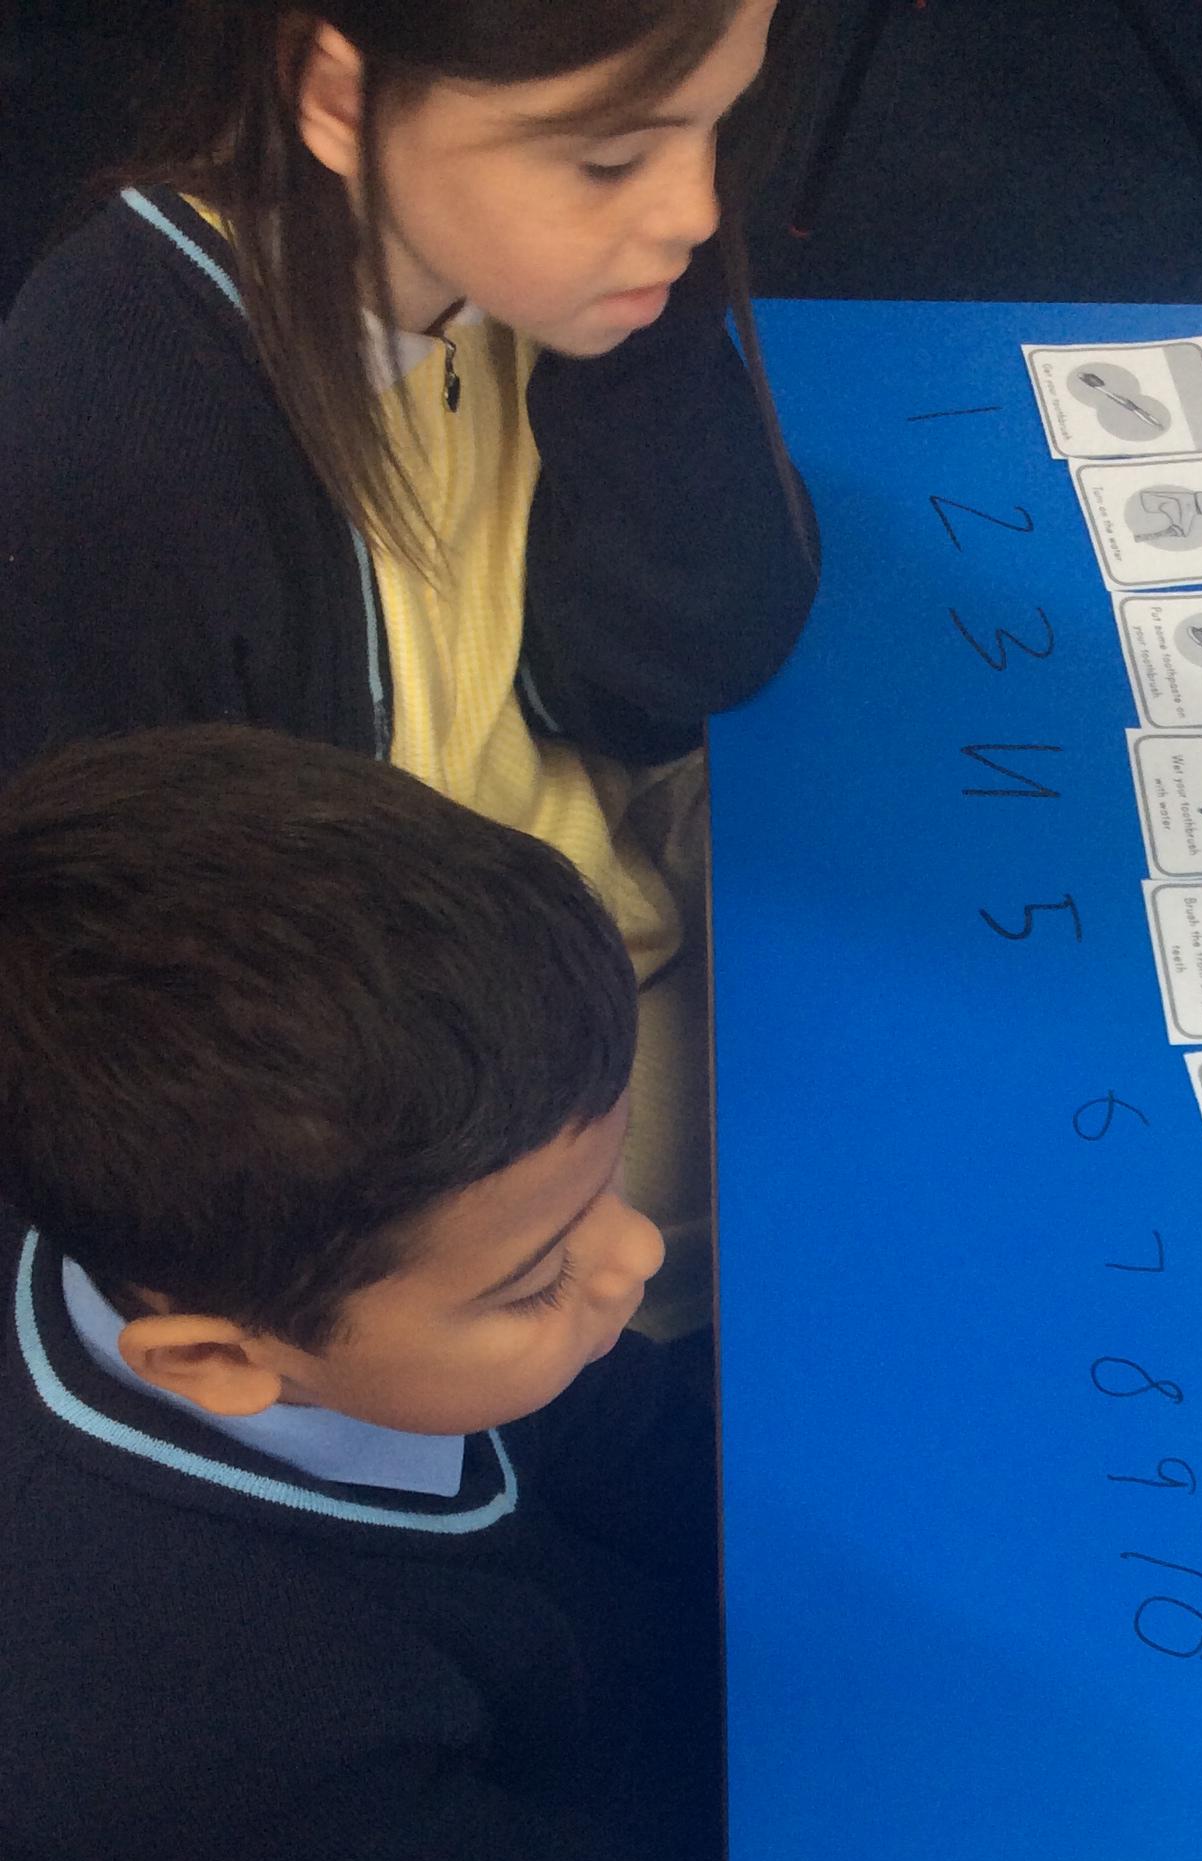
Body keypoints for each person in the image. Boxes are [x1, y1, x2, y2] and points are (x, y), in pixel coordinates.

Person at [0, 0, 820, 1340]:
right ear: (339, 98)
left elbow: (709, 638)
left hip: (590, 870)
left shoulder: (528, 273)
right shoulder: (125, 437)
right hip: (458, 1062)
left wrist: (636, 334)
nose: (695, 209)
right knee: (865, 1188)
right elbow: (148, 1018)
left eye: (718, 123)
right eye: (610, 158)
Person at [0, 727, 724, 1861]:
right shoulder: (193, 1713)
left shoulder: (259, 1243)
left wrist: (778, 1572)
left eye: (604, 1185)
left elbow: (604, 1418)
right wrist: (838, 1846)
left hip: (514, 1703)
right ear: (219, 1362)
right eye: (537, 1277)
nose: (636, 1257)